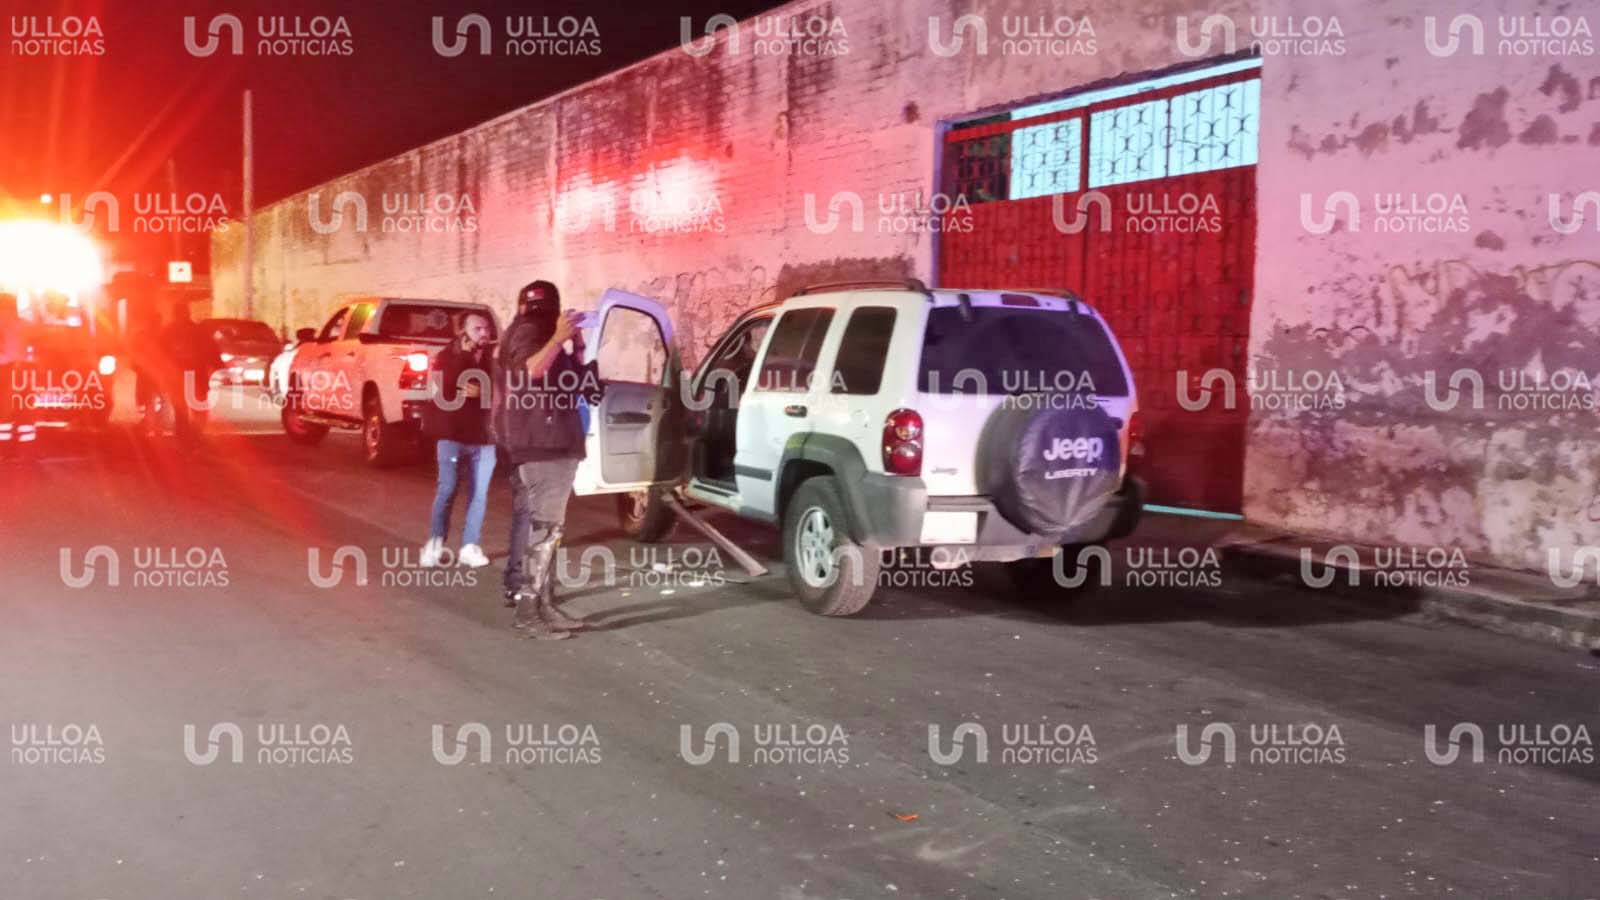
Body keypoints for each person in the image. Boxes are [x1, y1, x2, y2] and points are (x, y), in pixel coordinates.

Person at [494, 280, 602, 640]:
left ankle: (544, 605)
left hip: (555, 442)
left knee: (550, 531)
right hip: (541, 444)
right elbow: (529, 373)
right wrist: (557, 338)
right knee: (544, 531)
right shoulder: (529, 331)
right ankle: (528, 612)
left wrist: (576, 344)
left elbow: (576, 381)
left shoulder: (540, 332)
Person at [420, 312, 497, 568]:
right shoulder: (446, 356)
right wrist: (464, 357)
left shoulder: (493, 357)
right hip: (451, 434)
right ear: (462, 332)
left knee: (479, 493)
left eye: (486, 328)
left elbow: (504, 389)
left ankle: (470, 546)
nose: (484, 333)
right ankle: (435, 543)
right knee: (448, 487)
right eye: (477, 329)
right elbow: (443, 389)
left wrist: (484, 392)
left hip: (483, 437)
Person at [150, 301, 221, 442]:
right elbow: (211, 350)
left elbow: (158, 353)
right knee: (198, 408)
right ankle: (196, 436)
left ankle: (183, 436)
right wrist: (219, 366)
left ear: (174, 314)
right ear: (188, 313)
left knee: (180, 408)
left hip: (178, 376)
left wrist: (158, 372)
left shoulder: (168, 332)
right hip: (196, 375)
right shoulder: (198, 330)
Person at [0, 292, 35, 456]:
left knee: (4, 410)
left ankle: (3, 449)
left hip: (4, 369)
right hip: (23, 369)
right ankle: (26, 449)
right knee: (24, 407)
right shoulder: (24, 323)